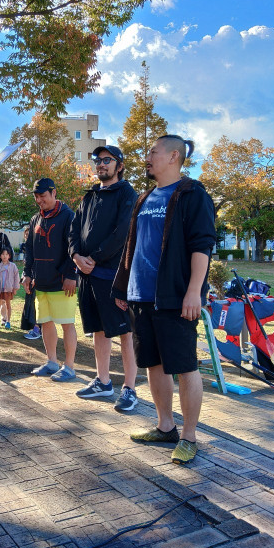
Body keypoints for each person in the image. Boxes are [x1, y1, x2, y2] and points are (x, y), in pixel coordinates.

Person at [113, 134, 216, 464]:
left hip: (174, 297)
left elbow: (202, 245)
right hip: (141, 297)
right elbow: (133, 245)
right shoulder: (144, 198)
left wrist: (193, 291)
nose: (147, 157)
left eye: (153, 152)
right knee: (153, 363)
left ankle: (189, 436)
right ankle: (165, 427)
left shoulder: (192, 194)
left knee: (184, 366)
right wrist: (123, 288)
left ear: (173, 156)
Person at [69, 145, 139, 411]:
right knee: (98, 329)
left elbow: (123, 233)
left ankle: (130, 388)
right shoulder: (89, 196)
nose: (101, 164)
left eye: (107, 160)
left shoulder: (127, 194)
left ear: (119, 165)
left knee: (125, 332)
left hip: (114, 276)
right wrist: (76, 256)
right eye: (97, 160)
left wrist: (94, 258)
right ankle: (103, 382)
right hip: (87, 275)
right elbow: (73, 230)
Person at [24, 178, 78, 381]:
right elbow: (29, 249)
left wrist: (71, 275)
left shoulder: (68, 216)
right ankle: (52, 362)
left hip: (63, 282)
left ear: (54, 193)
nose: (39, 200)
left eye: (43, 196)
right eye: (36, 197)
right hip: (41, 281)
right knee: (45, 322)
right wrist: (27, 274)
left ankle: (69, 367)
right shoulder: (35, 219)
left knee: (66, 324)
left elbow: (75, 248)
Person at [20, 227, 42, 340]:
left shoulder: (38, 248)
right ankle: (33, 327)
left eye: (29, 234)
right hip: (29, 280)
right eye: (26, 235)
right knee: (30, 304)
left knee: (37, 305)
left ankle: (37, 329)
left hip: (38, 279)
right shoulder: (27, 249)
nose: (27, 237)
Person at [0, 247, 20, 329]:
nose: (5, 256)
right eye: (3, 254)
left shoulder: (13, 266)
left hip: (9, 289)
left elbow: (16, 277)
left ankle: (8, 321)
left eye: (6, 254)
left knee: (8, 305)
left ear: (9, 256)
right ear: (0, 256)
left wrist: (15, 288)